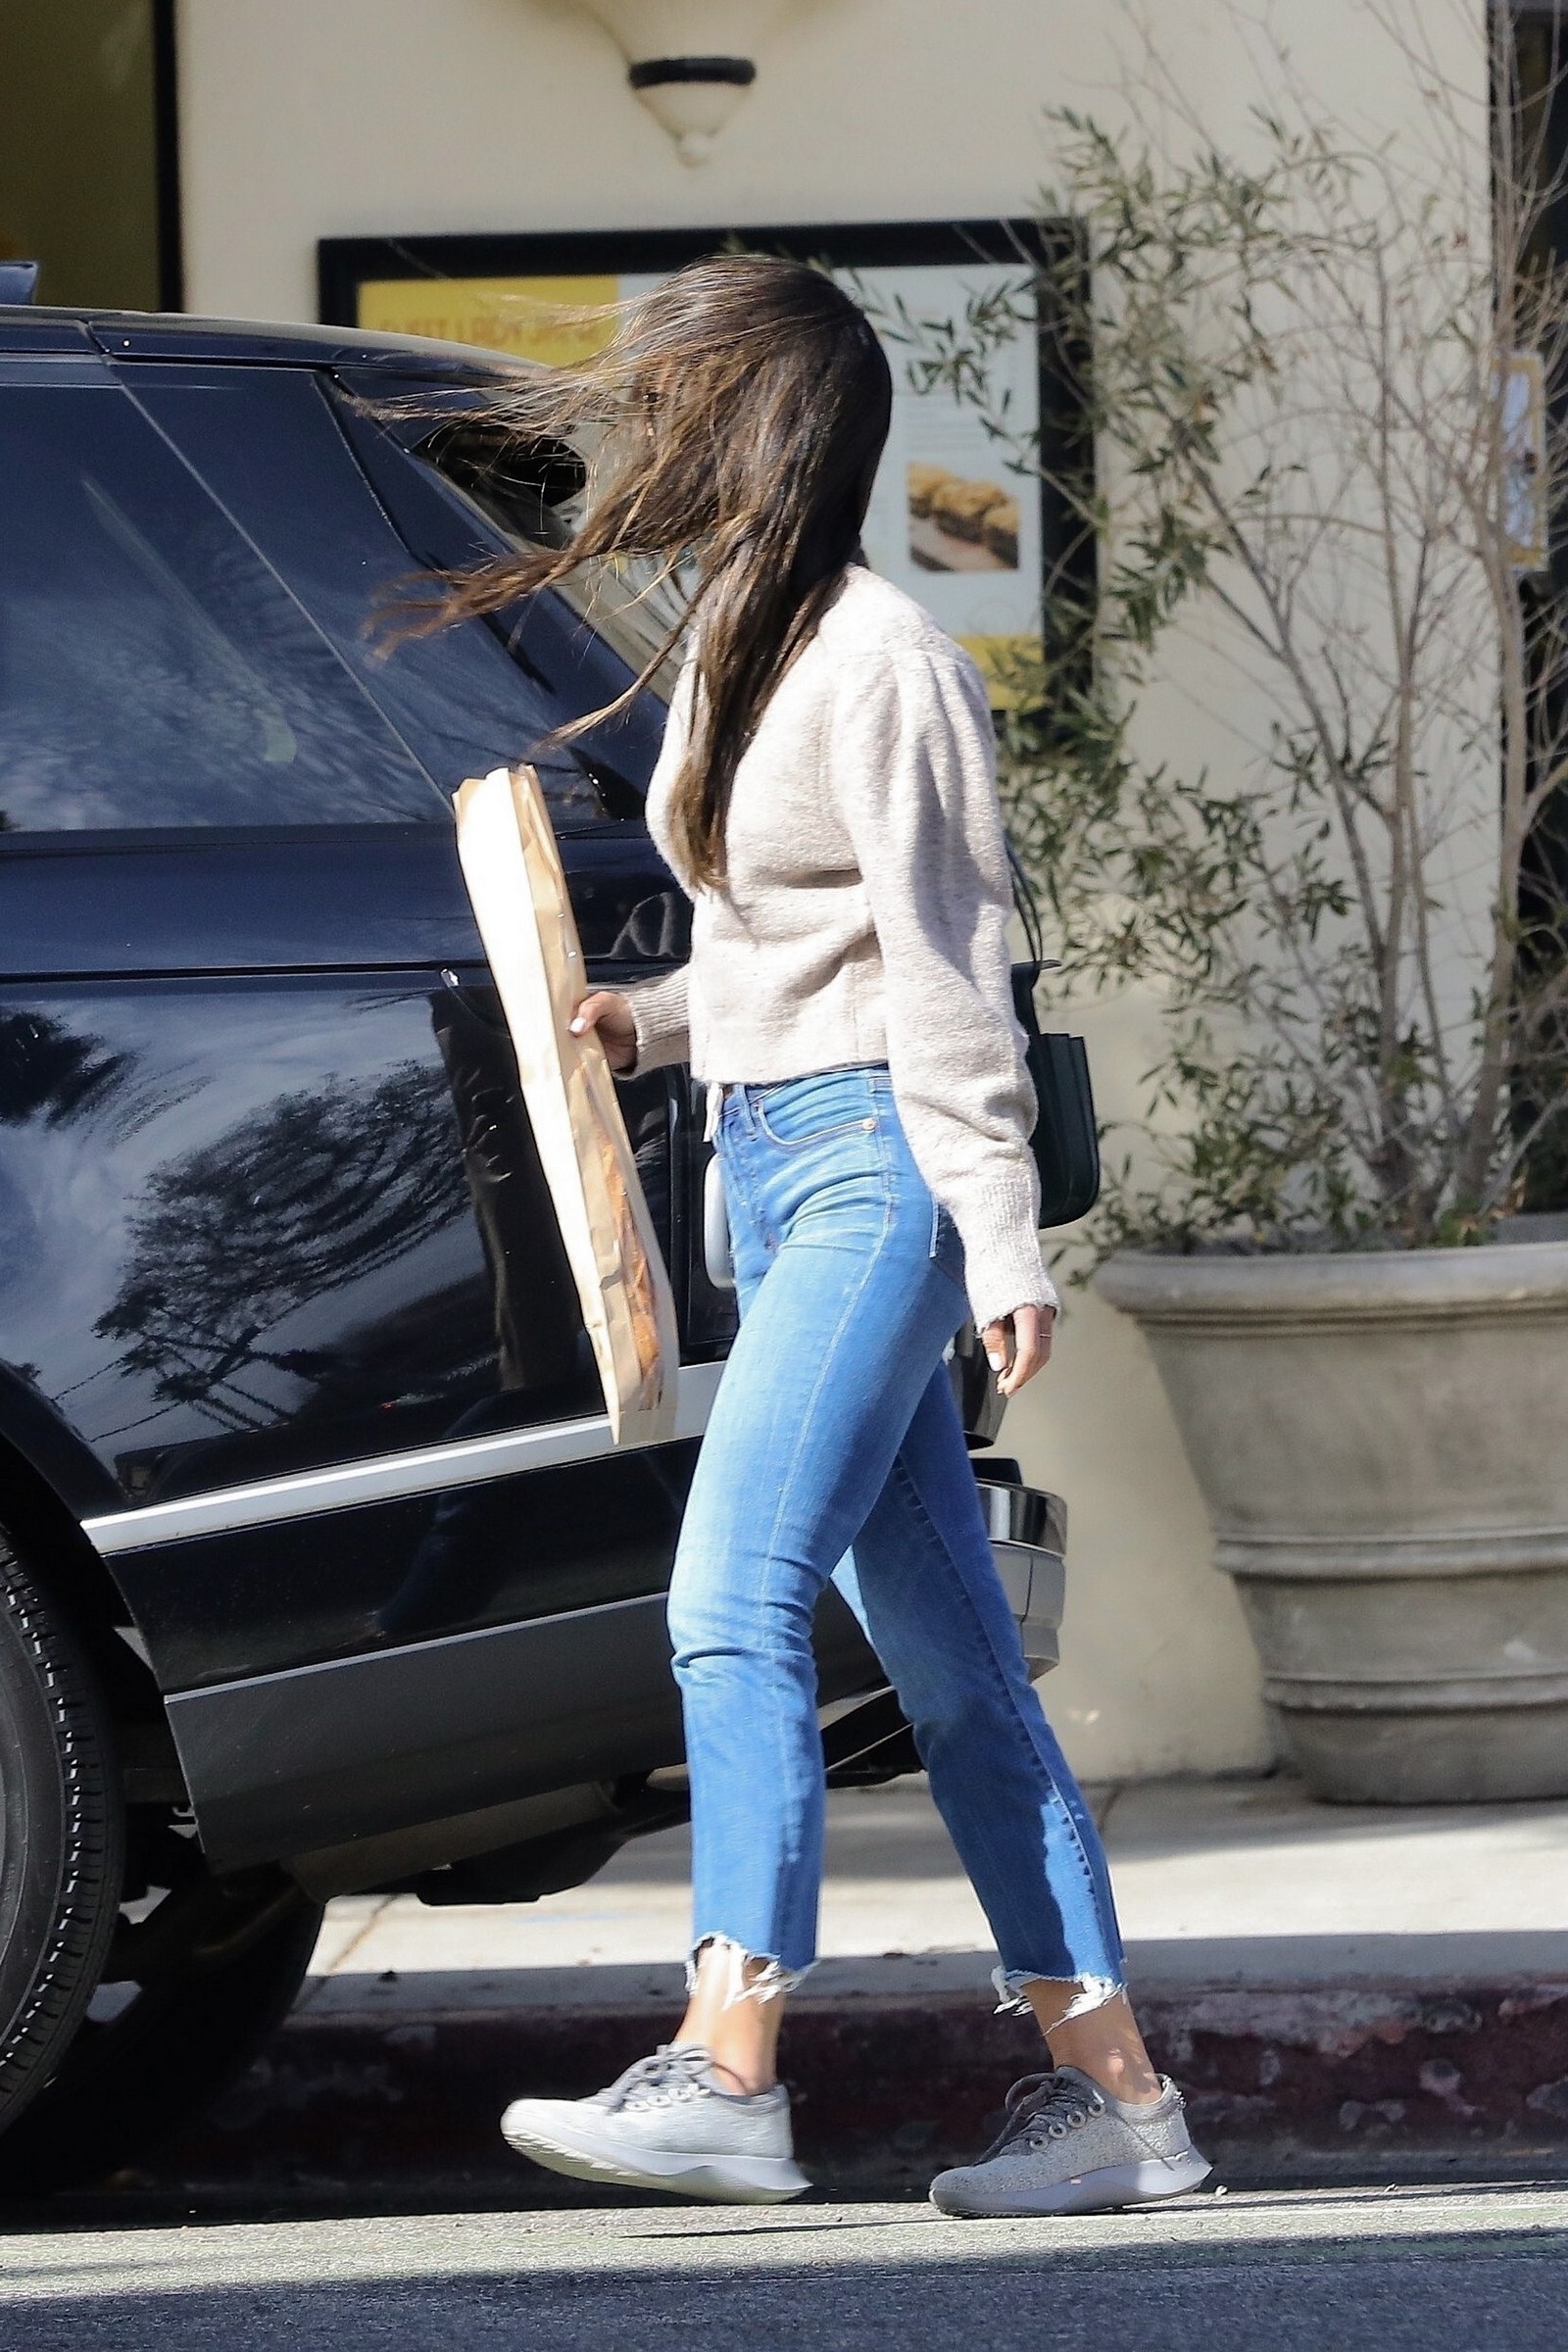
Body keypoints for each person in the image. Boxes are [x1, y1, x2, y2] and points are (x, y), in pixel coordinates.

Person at [439, 255, 1209, 2217]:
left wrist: (1002, 1238)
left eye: (667, 399)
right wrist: (651, 1020)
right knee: (954, 1671)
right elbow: (792, 940)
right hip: (776, 1166)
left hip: (882, 1171)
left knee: (730, 1594)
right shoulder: (736, 640)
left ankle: (727, 2067)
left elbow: (948, 970)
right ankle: (1123, 2108)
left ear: (753, 426)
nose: (637, 431)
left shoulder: (886, 659)